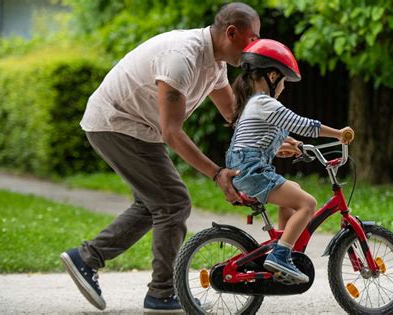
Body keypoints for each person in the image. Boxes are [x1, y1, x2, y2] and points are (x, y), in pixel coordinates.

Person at [59, 3, 260, 313]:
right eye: (252, 39)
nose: (254, 48)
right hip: (116, 122)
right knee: (173, 202)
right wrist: (217, 173)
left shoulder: (215, 64)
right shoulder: (182, 58)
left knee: (154, 204)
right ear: (231, 32)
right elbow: (172, 132)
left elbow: (234, 114)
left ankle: (86, 258)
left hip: (135, 127)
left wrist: (272, 138)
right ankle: (162, 292)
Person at [226, 39, 354, 283]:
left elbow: (259, 140)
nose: (284, 87)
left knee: (293, 190)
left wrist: (284, 147)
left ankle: (281, 244)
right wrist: (339, 134)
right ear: (272, 75)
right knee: (308, 203)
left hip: (248, 168)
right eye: (283, 81)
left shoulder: (254, 104)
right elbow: (303, 124)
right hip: (252, 171)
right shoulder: (265, 102)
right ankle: (281, 255)